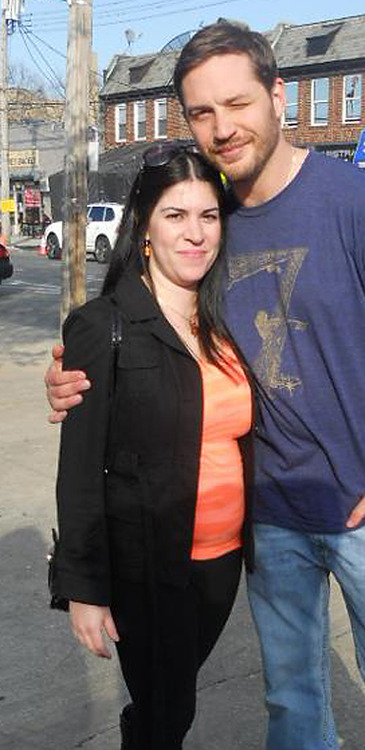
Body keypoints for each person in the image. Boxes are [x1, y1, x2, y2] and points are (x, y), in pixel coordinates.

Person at [46, 21, 365, 750]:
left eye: (237, 103)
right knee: (292, 702)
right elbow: (157, 331)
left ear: (277, 96)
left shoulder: (359, 202)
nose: (222, 127)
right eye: (202, 112)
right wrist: (76, 375)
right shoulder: (214, 216)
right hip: (270, 519)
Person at [52, 142, 254, 750]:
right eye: (175, 215)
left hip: (222, 560)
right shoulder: (103, 326)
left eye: (208, 216)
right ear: (144, 227)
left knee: (168, 700)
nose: (195, 233)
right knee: (171, 711)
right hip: (148, 563)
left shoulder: (226, 321)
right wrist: (83, 589)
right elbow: (79, 469)